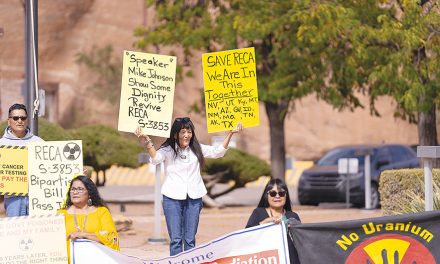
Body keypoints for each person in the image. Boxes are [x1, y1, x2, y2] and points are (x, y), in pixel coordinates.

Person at [135, 117, 243, 256]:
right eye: (183, 132)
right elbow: (155, 159)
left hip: (194, 198)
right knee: (176, 239)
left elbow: (218, 152)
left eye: (189, 132)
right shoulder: (167, 150)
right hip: (172, 199)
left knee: (190, 239)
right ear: (176, 134)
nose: (186, 135)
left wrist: (230, 133)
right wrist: (147, 141)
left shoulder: (197, 148)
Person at [58, 175, 119, 259]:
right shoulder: (60, 214)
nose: (75, 192)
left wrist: (83, 235)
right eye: (73, 189)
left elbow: (111, 238)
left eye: (80, 189)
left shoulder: (101, 212)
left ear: (89, 193)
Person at [0, 103, 43, 217]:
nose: (20, 121)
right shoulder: (1, 144)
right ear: (9, 121)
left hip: (37, 197)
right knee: (16, 233)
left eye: (23, 118)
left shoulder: (38, 142)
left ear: (27, 120)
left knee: (37, 231)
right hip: (13, 199)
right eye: (15, 118)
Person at [245, 178, 301, 264]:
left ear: (286, 195)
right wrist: (265, 222)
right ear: (267, 195)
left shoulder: (293, 216)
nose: (277, 196)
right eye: (273, 193)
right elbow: (246, 237)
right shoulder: (258, 213)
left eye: (281, 193)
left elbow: (302, 242)